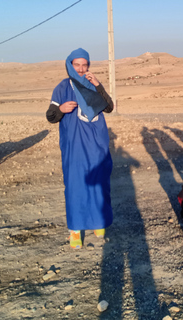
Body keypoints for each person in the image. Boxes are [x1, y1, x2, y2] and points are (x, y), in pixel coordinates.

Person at [46, 48, 114, 249]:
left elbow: (109, 107)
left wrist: (98, 85)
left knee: (98, 181)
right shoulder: (62, 88)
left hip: (96, 144)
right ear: (70, 65)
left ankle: (98, 223)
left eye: (85, 65)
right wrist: (60, 109)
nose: (82, 69)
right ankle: (75, 230)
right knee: (75, 185)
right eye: (77, 65)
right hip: (74, 145)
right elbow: (50, 116)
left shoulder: (93, 86)